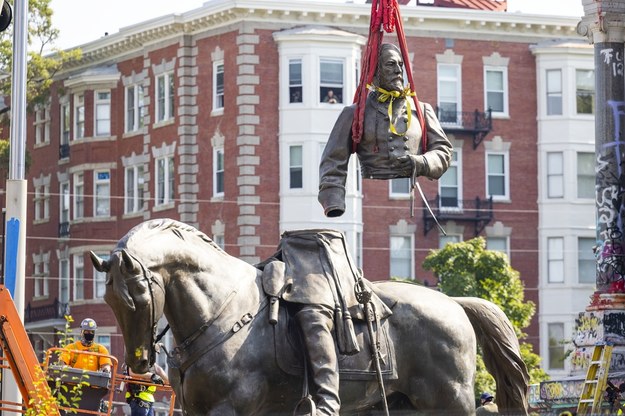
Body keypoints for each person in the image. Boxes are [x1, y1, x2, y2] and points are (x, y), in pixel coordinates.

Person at [318, 43, 452, 218]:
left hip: (409, 190)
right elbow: (333, 159)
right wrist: (334, 201)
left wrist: (421, 162)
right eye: (390, 64)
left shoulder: (422, 110)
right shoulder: (355, 113)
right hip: (373, 180)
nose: (398, 70)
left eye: (401, 65)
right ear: (374, 71)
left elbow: (444, 151)